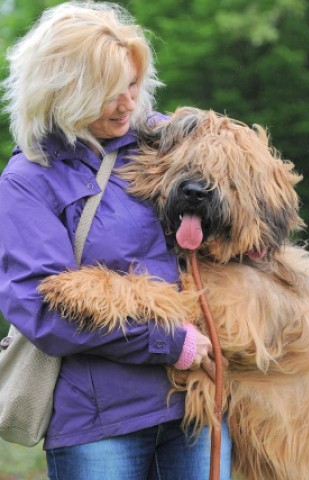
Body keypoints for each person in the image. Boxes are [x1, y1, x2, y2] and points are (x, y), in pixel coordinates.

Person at [0, 2, 231, 479]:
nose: (129, 103)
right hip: (99, 423)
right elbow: (44, 310)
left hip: (196, 403)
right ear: (64, 92)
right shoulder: (28, 180)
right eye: (109, 93)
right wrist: (169, 343)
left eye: (132, 85)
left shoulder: (165, 144)